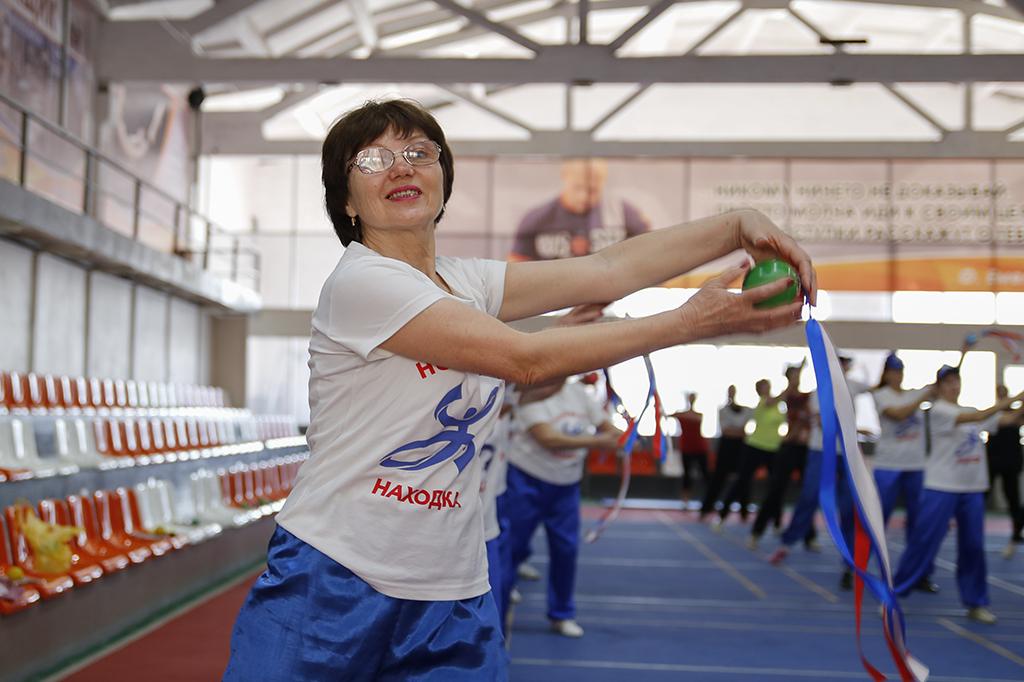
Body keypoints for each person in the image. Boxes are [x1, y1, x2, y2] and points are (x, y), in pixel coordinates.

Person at [223, 98, 815, 680]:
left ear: (443, 179)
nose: (401, 167)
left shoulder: (467, 281)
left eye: (419, 152)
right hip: (334, 572)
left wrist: (736, 225)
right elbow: (524, 360)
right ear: (347, 201)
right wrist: (690, 323)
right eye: (373, 160)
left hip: (451, 586)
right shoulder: (362, 282)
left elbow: (608, 271)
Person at [893, 367, 1024, 624]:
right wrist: (1015, 398)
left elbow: (1007, 420)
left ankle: (976, 602)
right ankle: (894, 594)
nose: (954, 386)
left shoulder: (969, 411)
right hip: (941, 487)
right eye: (948, 382)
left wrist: (1020, 406)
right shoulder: (939, 411)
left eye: (957, 381)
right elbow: (983, 415)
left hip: (972, 489)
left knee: (973, 546)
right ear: (939, 387)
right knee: (923, 541)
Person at [503, 377, 621, 638]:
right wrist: (599, 441)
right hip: (526, 478)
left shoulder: (579, 393)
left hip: (567, 483)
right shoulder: (530, 393)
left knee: (566, 550)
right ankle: (501, 601)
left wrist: (617, 436)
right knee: (513, 546)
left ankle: (562, 613)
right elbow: (548, 438)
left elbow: (610, 429)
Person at [768, 352, 868, 581]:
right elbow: (824, 424)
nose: (840, 368)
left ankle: (850, 561)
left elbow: (878, 387)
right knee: (809, 497)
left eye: (843, 365)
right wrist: (854, 430)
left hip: (847, 455)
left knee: (848, 506)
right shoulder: (818, 392)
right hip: (821, 452)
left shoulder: (853, 386)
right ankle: (787, 543)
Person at [870, 352, 939, 593]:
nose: (897, 375)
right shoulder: (880, 395)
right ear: (886, 373)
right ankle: (855, 568)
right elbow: (898, 415)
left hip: (915, 466)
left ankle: (920, 573)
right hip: (888, 465)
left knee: (919, 523)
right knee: (877, 519)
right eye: (893, 371)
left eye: (899, 371)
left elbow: (943, 384)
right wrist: (923, 396)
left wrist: (963, 352)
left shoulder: (913, 394)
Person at [509, 158, 650, 261]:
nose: (583, 196)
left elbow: (651, 257)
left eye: (593, 190)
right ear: (564, 176)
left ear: (603, 182)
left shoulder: (624, 215)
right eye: (577, 187)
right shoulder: (537, 219)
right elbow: (516, 273)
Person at [748, 362, 817, 550]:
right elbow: (774, 401)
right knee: (776, 490)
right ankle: (756, 532)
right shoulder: (788, 396)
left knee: (808, 493)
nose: (797, 378)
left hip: (805, 449)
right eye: (794, 375)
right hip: (789, 448)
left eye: (798, 375)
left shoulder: (808, 397)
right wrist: (792, 380)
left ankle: (809, 536)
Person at [715, 379, 784, 528]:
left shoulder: (778, 406)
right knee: (741, 481)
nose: (767, 389)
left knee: (776, 485)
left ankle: (777, 522)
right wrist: (790, 385)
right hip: (755, 446)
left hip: (773, 448)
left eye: (768, 386)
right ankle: (721, 517)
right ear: (759, 390)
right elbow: (776, 399)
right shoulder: (762, 404)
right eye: (764, 387)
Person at [700, 386, 751, 519]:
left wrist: (737, 431)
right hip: (726, 447)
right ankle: (706, 508)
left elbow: (742, 431)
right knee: (718, 478)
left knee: (743, 478)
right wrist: (738, 432)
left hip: (740, 447)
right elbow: (727, 430)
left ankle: (744, 512)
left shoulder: (745, 410)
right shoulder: (723, 410)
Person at [986, 385, 1024, 559]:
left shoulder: (1016, 414)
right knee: (982, 496)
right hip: (993, 462)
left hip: (1011, 463)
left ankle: (1016, 534)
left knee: (1013, 501)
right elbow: (1009, 420)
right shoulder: (993, 414)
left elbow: (1017, 420)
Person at [671, 392, 710, 508]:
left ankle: (709, 500)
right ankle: (685, 501)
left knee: (705, 474)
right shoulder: (682, 414)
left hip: (700, 448)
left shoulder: (698, 414)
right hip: (686, 448)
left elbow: (695, 418)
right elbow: (667, 415)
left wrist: (682, 415)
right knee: (687, 475)